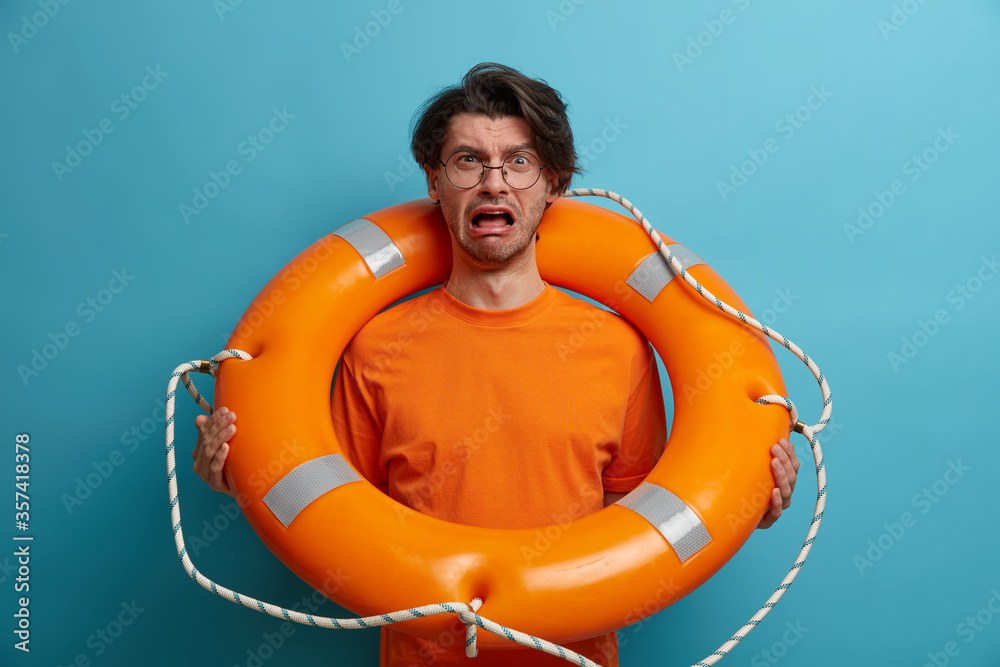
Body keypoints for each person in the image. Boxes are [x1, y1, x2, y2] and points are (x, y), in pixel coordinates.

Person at [192, 63, 800, 667]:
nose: (494, 183)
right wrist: (245, 475)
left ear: (553, 183)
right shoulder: (374, 349)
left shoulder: (618, 349)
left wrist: (739, 503)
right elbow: (338, 523)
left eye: (519, 161)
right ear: (435, 181)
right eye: (467, 161)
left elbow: (642, 529)